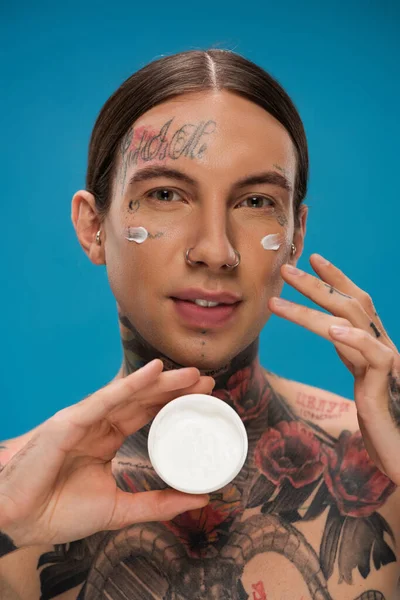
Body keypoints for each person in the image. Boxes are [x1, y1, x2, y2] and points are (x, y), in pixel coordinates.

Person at [0, 48, 399, 600]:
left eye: (257, 201)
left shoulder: (381, 473)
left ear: (296, 234)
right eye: (165, 194)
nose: (216, 250)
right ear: (94, 227)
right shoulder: (11, 497)